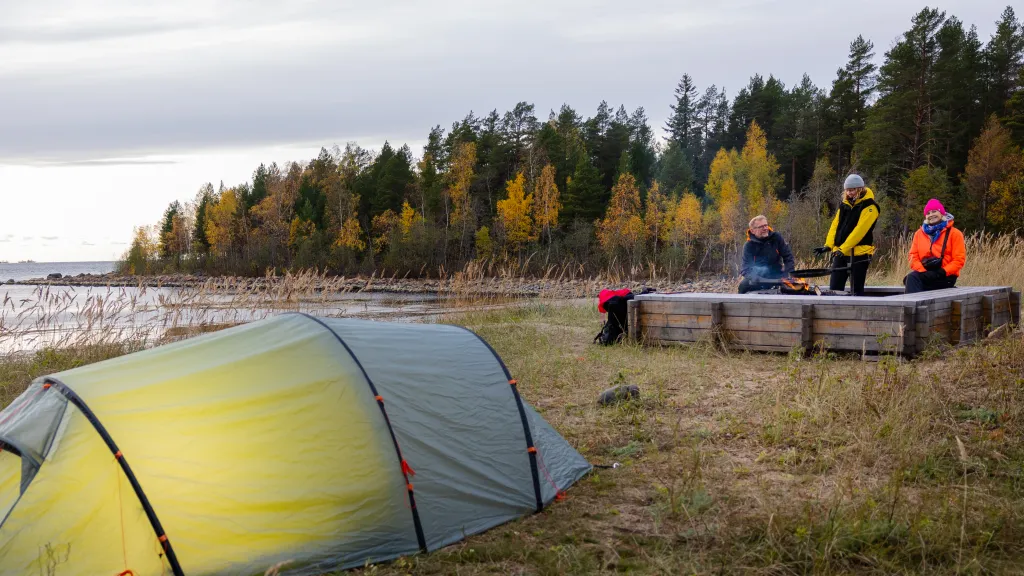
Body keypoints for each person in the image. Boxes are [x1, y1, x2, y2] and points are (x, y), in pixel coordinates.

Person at [815, 173, 879, 296]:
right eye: (847, 190)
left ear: (860, 189)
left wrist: (843, 248)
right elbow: (835, 226)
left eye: (852, 190)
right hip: (840, 254)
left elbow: (859, 231)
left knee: (856, 292)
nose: (849, 193)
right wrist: (828, 245)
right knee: (833, 290)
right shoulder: (845, 205)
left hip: (859, 254)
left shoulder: (870, 207)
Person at [905, 199, 965, 293]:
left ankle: (911, 306)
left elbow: (959, 260)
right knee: (911, 279)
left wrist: (942, 272)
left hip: (946, 276)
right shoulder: (919, 234)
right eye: (928, 213)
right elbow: (913, 256)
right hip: (925, 273)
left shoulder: (955, 234)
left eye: (934, 211)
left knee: (912, 279)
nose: (931, 214)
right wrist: (923, 271)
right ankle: (918, 306)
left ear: (942, 213)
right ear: (926, 216)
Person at [738, 215, 795, 293]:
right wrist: (755, 278)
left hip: (777, 275)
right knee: (743, 286)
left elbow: (788, 257)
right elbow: (745, 269)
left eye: (766, 225)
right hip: (759, 278)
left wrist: (787, 274)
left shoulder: (776, 237)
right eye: (761, 227)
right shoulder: (749, 246)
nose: (765, 228)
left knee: (795, 288)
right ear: (752, 231)